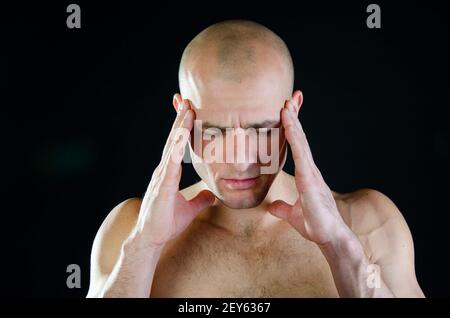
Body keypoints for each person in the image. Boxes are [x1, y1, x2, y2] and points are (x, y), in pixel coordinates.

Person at [87, 20, 424, 297]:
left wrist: (339, 245)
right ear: (182, 118)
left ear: (292, 111)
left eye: (261, 130)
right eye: (215, 131)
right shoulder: (130, 233)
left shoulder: (368, 223)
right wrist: (145, 246)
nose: (240, 160)